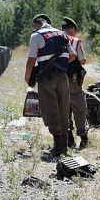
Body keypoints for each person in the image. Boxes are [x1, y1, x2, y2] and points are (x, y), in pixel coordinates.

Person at [24, 14, 76, 157]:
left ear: (36, 24)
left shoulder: (37, 35)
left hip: (46, 78)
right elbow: (72, 56)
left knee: (50, 110)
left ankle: (58, 147)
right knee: (64, 110)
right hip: (63, 76)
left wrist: (28, 77)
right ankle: (64, 147)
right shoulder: (63, 35)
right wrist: (60, 64)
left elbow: (31, 60)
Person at [61, 17, 89, 149]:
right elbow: (82, 61)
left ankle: (69, 138)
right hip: (73, 81)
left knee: (64, 109)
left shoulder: (54, 39)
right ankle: (83, 137)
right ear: (72, 29)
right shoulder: (75, 41)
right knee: (79, 108)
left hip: (58, 81)